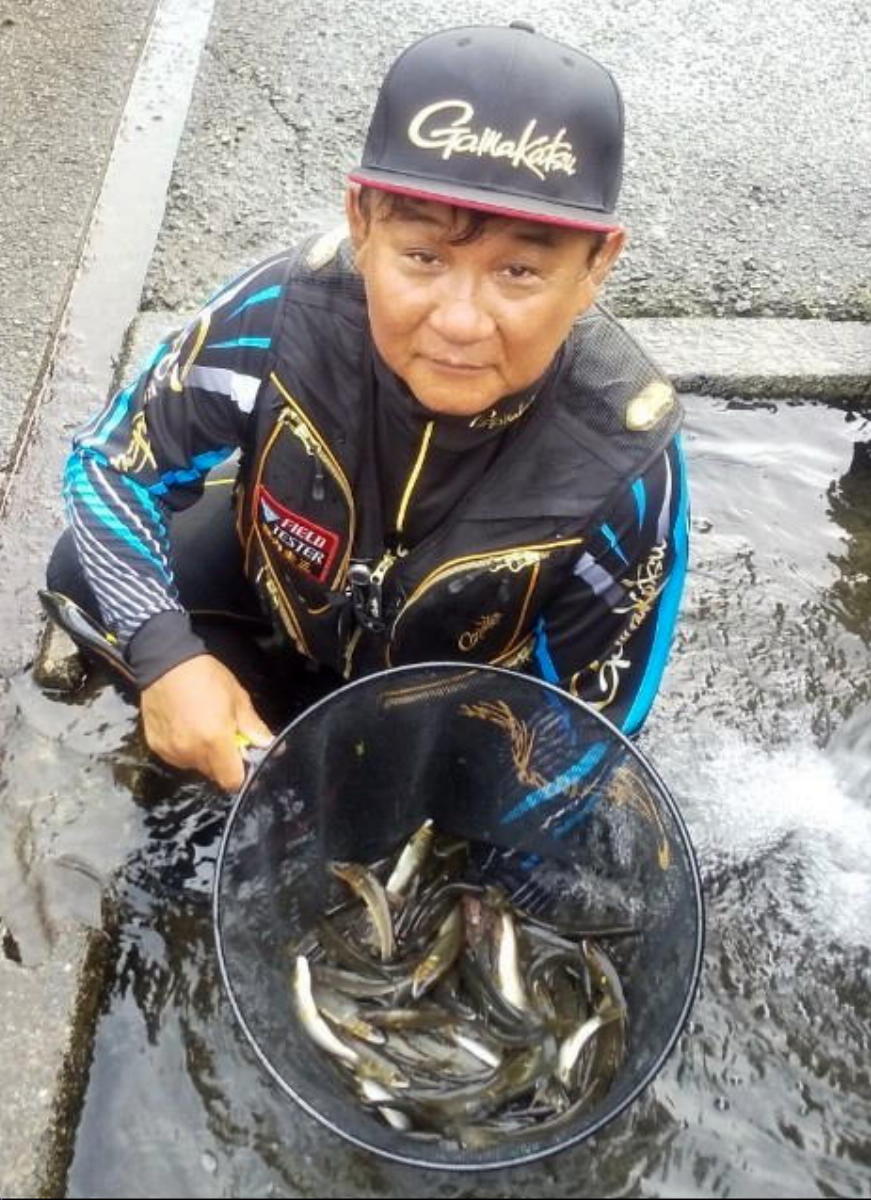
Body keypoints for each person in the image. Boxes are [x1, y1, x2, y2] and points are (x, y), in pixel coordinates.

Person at [45, 21, 689, 793]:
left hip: (446, 712)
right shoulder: (281, 313)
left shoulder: (626, 461)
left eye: (518, 271)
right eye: (423, 257)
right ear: (361, 222)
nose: (459, 320)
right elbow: (109, 466)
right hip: (281, 610)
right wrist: (166, 659)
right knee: (81, 571)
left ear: (595, 265)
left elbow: (587, 727)